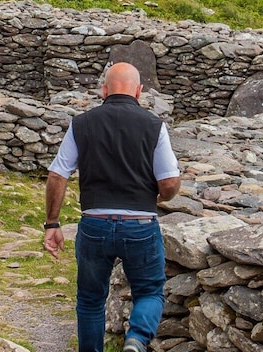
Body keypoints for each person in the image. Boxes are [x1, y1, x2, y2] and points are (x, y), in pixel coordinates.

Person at [42, 62, 182, 352]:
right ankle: (136, 339)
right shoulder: (154, 125)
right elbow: (169, 182)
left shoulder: (82, 123)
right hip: (140, 225)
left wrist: (52, 223)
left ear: (104, 90)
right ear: (139, 91)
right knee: (150, 292)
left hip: (94, 223)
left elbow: (57, 175)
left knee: (90, 300)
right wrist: (157, 197)